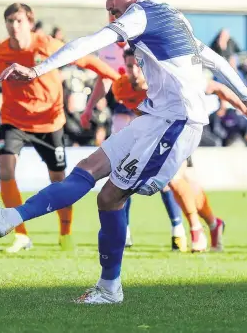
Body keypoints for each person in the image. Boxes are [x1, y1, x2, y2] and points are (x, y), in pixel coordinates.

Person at [0, 0, 247, 304]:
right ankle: (11, 217)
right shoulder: (173, 16)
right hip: (155, 116)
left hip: (176, 123)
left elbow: (92, 41)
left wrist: (38, 69)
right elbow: (215, 60)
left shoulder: (140, 14)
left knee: (110, 197)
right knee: (88, 167)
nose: (109, 5)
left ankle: (111, 287)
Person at [0, 3, 121, 253]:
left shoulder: (47, 45)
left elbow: (86, 60)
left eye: (18, 21)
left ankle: (65, 231)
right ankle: (20, 235)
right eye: (9, 21)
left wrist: (119, 79)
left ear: (30, 22)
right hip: (13, 121)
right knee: (6, 171)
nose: (13, 26)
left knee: (58, 180)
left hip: (49, 123)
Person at [83, 48, 237, 252]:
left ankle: (195, 230)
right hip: (156, 136)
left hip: (180, 132)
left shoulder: (168, 81)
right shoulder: (121, 88)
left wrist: (243, 104)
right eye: (129, 67)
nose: (134, 72)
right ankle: (213, 223)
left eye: (138, 67)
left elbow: (217, 88)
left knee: (174, 181)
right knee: (188, 186)